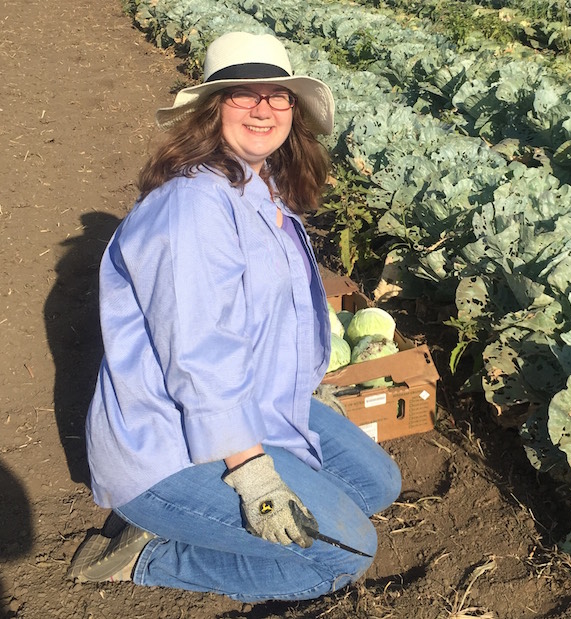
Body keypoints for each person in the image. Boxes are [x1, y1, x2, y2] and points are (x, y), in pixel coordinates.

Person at [66, 31, 402, 602]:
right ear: (210, 109)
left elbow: (280, 317)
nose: (263, 108)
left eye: (278, 96)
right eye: (242, 94)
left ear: (293, 112)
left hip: (258, 402)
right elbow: (196, 355)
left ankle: (204, 515)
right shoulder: (192, 206)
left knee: (377, 484)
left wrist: (300, 385)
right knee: (339, 557)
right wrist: (253, 476)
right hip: (169, 442)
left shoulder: (259, 186)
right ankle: (149, 554)